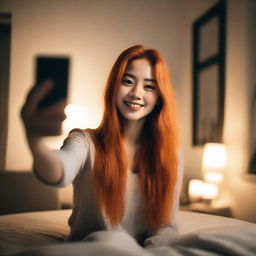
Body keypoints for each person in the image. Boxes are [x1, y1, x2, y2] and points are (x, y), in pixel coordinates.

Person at [21, 45, 182, 248]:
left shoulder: (171, 155)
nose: (136, 93)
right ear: (114, 87)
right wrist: (34, 140)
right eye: (127, 81)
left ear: (159, 97)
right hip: (91, 249)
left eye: (149, 86)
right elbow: (59, 170)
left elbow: (166, 226)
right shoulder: (85, 141)